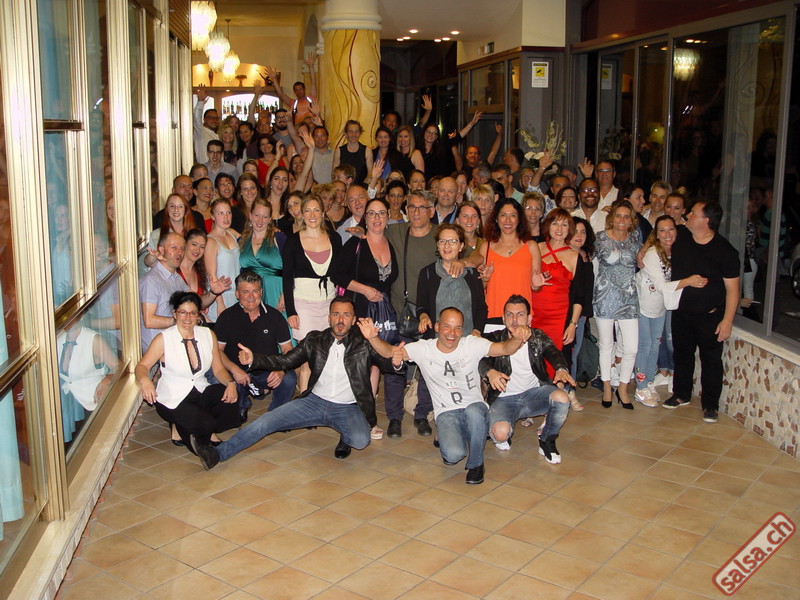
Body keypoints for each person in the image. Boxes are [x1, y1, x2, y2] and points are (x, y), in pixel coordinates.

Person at [192, 296, 402, 469]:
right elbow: (285, 360)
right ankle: (218, 454)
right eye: (336, 314)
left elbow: (387, 363)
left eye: (346, 315)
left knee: (360, 440)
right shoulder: (315, 340)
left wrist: (390, 354)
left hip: (346, 407)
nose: (340, 320)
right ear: (329, 317)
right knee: (266, 421)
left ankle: (345, 437)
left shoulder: (363, 343)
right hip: (314, 403)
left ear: (354, 319)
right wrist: (255, 359)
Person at [371, 307, 532, 484]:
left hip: (474, 408)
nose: (452, 333)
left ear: (462, 330)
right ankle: (458, 433)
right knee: (453, 455)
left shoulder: (471, 344)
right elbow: (390, 351)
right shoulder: (424, 348)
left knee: (474, 412)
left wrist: (517, 338)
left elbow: (504, 348)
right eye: (447, 326)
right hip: (447, 412)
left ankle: (476, 465)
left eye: (457, 328)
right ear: (437, 327)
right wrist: (372, 337)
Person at [136, 291, 241, 451]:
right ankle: (195, 432)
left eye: (192, 313)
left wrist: (230, 383)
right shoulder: (164, 339)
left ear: (198, 315)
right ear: (175, 314)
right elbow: (141, 366)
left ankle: (191, 427)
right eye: (182, 312)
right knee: (205, 424)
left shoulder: (208, 334)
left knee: (229, 403)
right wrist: (145, 381)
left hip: (199, 390)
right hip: (173, 398)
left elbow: (218, 368)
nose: (188, 318)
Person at [664, 201, 740, 423]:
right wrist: (642, 252)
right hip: (682, 312)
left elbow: (733, 290)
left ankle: (710, 405)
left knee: (711, 360)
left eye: (693, 213)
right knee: (682, 354)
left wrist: (727, 321)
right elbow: (657, 239)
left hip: (710, 316)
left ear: (705, 221)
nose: (688, 215)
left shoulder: (725, 252)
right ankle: (681, 394)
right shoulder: (682, 237)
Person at [480, 295, 575, 462]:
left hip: (534, 395)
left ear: (529, 318)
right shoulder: (494, 338)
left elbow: (553, 352)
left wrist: (561, 368)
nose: (514, 320)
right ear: (503, 318)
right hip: (504, 398)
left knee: (562, 397)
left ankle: (547, 440)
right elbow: (481, 358)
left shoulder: (537, 336)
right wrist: (490, 371)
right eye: (509, 314)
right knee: (500, 434)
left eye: (520, 314)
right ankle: (506, 430)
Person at [635, 215, 707, 407]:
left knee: (655, 345)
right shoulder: (652, 254)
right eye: (662, 230)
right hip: (643, 304)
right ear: (656, 234)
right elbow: (661, 286)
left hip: (661, 306)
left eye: (671, 229)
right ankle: (640, 387)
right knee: (645, 345)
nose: (667, 234)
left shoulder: (678, 252)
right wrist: (689, 281)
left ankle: (649, 382)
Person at [215, 271, 296, 423]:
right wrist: (234, 370)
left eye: (255, 291)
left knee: (289, 378)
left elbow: (287, 349)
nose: (251, 296)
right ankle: (243, 402)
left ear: (261, 292)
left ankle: (275, 414)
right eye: (245, 292)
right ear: (237, 294)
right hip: (236, 373)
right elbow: (217, 352)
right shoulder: (226, 317)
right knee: (219, 382)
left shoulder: (275, 316)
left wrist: (281, 369)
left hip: (265, 372)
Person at [282, 195, 342, 392]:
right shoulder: (292, 242)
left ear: (323, 213)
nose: (312, 215)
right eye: (307, 210)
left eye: (316, 210)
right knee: (307, 358)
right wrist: (291, 311)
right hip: (303, 304)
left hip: (329, 303)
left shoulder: (335, 238)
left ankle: (326, 397)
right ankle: (304, 400)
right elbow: (287, 278)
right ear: (302, 213)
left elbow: (341, 273)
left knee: (328, 353)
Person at [593, 200, 641, 409]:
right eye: (618, 215)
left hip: (629, 299)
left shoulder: (635, 238)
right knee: (606, 345)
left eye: (626, 216)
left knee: (631, 347)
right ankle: (606, 386)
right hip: (604, 298)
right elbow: (589, 260)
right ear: (612, 218)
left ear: (631, 220)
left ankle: (623, 387)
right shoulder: (600, 238)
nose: (622, 220)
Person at [479, 199, 544, 328]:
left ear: (519, 220)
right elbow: (479, 287)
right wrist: (485, 279)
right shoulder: (486, 247)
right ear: (496, 219)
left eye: (513, 215)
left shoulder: (531, 246)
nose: (508, 220)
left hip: (521, 316)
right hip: (493, 313)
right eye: (503, 215)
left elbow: (535, 286)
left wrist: (537, 286)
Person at [415, 224, 487, 339]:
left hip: (467, 340)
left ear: (461, 246)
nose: (447, 246)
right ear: (438, 245)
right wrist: (423, 316)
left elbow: (481, 307)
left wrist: (477, 330)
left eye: (453, 241)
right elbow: (421, 306)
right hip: (436, 341)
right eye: (442, 241)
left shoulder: (472, 274)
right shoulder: (427, 273)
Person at [532, 208, 583, 372]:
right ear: (548, 225)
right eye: (555, 223)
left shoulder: (574, 256)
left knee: (555, 360)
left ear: (570, 229)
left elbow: (579, 296)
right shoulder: (535, 247)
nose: (559, 229)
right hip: (533, 313)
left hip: (558, 317)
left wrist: (572, 325)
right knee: (532, 358)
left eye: (564, 225)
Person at [239, 198, 287, 309]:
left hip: (276, 292)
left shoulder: (279, 238)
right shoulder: (241, 240)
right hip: (250, 295)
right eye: (257, 215)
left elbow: (291, 269)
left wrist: (285, 294)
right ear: (250, 215)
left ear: (270, 219)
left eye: (265, 217)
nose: (260, 220)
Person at [204, 199, 241, 321]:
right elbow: (211, 276)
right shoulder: (210, 241)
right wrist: (220, 303)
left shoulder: (231, 233)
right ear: (213, 216)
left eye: (228, 212)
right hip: (221, 296)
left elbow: (251, 236)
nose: (226, 217)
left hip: (236, 294)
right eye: (220, 213)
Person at [333, 120, 373, 187]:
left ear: (359, 133)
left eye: (356, 132)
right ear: (346, 134)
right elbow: (335, 174)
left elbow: (370, 174)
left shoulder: (367, 151)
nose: (354, 135)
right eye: (350, 132)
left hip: (361, 187)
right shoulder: (338, 151)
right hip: (344, 188)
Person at [193, 85, 218, 164]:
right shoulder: (201, 132)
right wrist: (200, 101)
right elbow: (196, 118)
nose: (214, 120)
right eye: (210, 118)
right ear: (204, 119)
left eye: (216, 118)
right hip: (204, 169)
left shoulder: (216, 135)